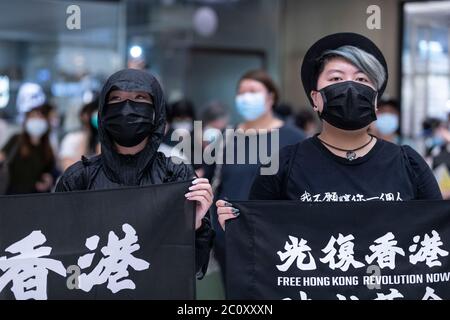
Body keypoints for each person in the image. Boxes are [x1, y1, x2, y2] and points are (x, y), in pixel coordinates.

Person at [217, 32, 442, 229]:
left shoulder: (408, 165)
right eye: (336, 78)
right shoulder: (283, 167)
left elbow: (438, 234)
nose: (351, 87)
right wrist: (238, 226)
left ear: (375, 100)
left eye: (362, 79)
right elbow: (260, 239)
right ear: (315, 99)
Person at [55, 69, 214, 278]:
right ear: (103, 110)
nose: (127, 108)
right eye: (116, 99)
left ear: (156, 111)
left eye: (139, 98)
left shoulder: (177, 174)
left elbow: (191, 268)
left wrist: (196, 224)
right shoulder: (78, 178)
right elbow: (59, 253)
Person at [209, 69, 305, 282]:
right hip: (231, 241)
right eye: (241, 93)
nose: (246, 98)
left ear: (270, 97)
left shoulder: (294, 138)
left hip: (278, 242)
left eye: (253, 91)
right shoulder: (226, 138)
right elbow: (214, 183)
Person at [0, 105, 56, 194]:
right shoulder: (16, 140)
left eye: (40, 117)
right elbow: (2, 157)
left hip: (37, 196)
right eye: (33, 117)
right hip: (13, 195)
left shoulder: (47, 146)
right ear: (26, 121)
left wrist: (48, 181)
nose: (37, 121)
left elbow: (50, 171)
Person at [59, 98, 100, 171]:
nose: (97, 114)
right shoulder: (72, 138)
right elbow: (67, 168)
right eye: (92, 111)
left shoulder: (108, 139)